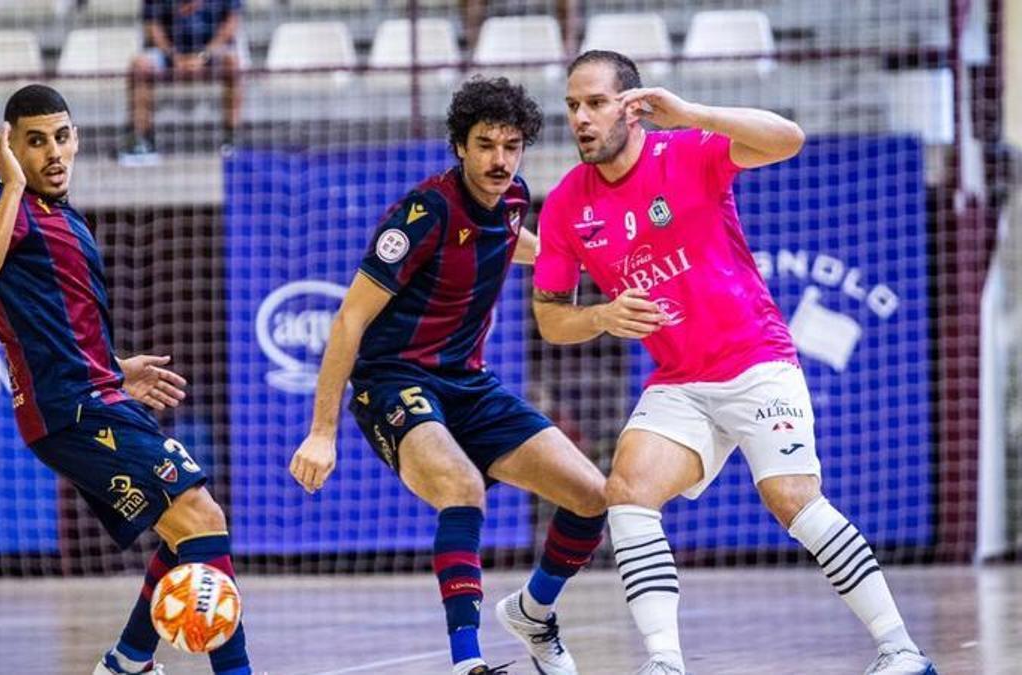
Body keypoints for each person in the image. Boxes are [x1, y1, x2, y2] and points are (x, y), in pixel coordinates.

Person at [532, 50, 938, 675]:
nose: (581, 118)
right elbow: (553, 320)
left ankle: (901, 651)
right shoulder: (565, 205)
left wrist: (692, 112)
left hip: (755, 362)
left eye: (595, 102)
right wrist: (602, 317)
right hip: (679, 382)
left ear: (633, 105)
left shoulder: (687, 152)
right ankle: (665, 663)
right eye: (572, 107)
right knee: (628, 494)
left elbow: (789, 139)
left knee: (793, 500)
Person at [289, 76, 608, 675]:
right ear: (460, 146)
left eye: (511, 146)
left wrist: (588, 259)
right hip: (393, 381)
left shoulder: (514, 200)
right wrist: (321, 432)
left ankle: (534, 613)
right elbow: (348, 321)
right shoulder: (423, 212)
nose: (499, 160)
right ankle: (468, 663)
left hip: (468, 382)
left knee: (594, 496)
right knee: (462, 487)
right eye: (486, 145)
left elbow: (515, 240)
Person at [0, 84, 253, 675]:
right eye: (35, 142)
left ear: (78, 139)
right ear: (9, 146)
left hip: (95, 396)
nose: (53, 153)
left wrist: (115, 369)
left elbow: (53, 329)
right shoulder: (1, 201)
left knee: (181, 532)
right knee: (203, 517)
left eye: (62, 137)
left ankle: (126, 664)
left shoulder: (63, 217)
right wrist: (11, 184)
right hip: (73, 410)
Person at [122, 0, 243, 161]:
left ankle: (231, 138)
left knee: (233, 63)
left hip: (211, 53)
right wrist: (174, 56)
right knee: (140, 66)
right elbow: (152, 26)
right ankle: (142, 140)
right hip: (168, 54)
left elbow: (231, 23)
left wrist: (204, 55)